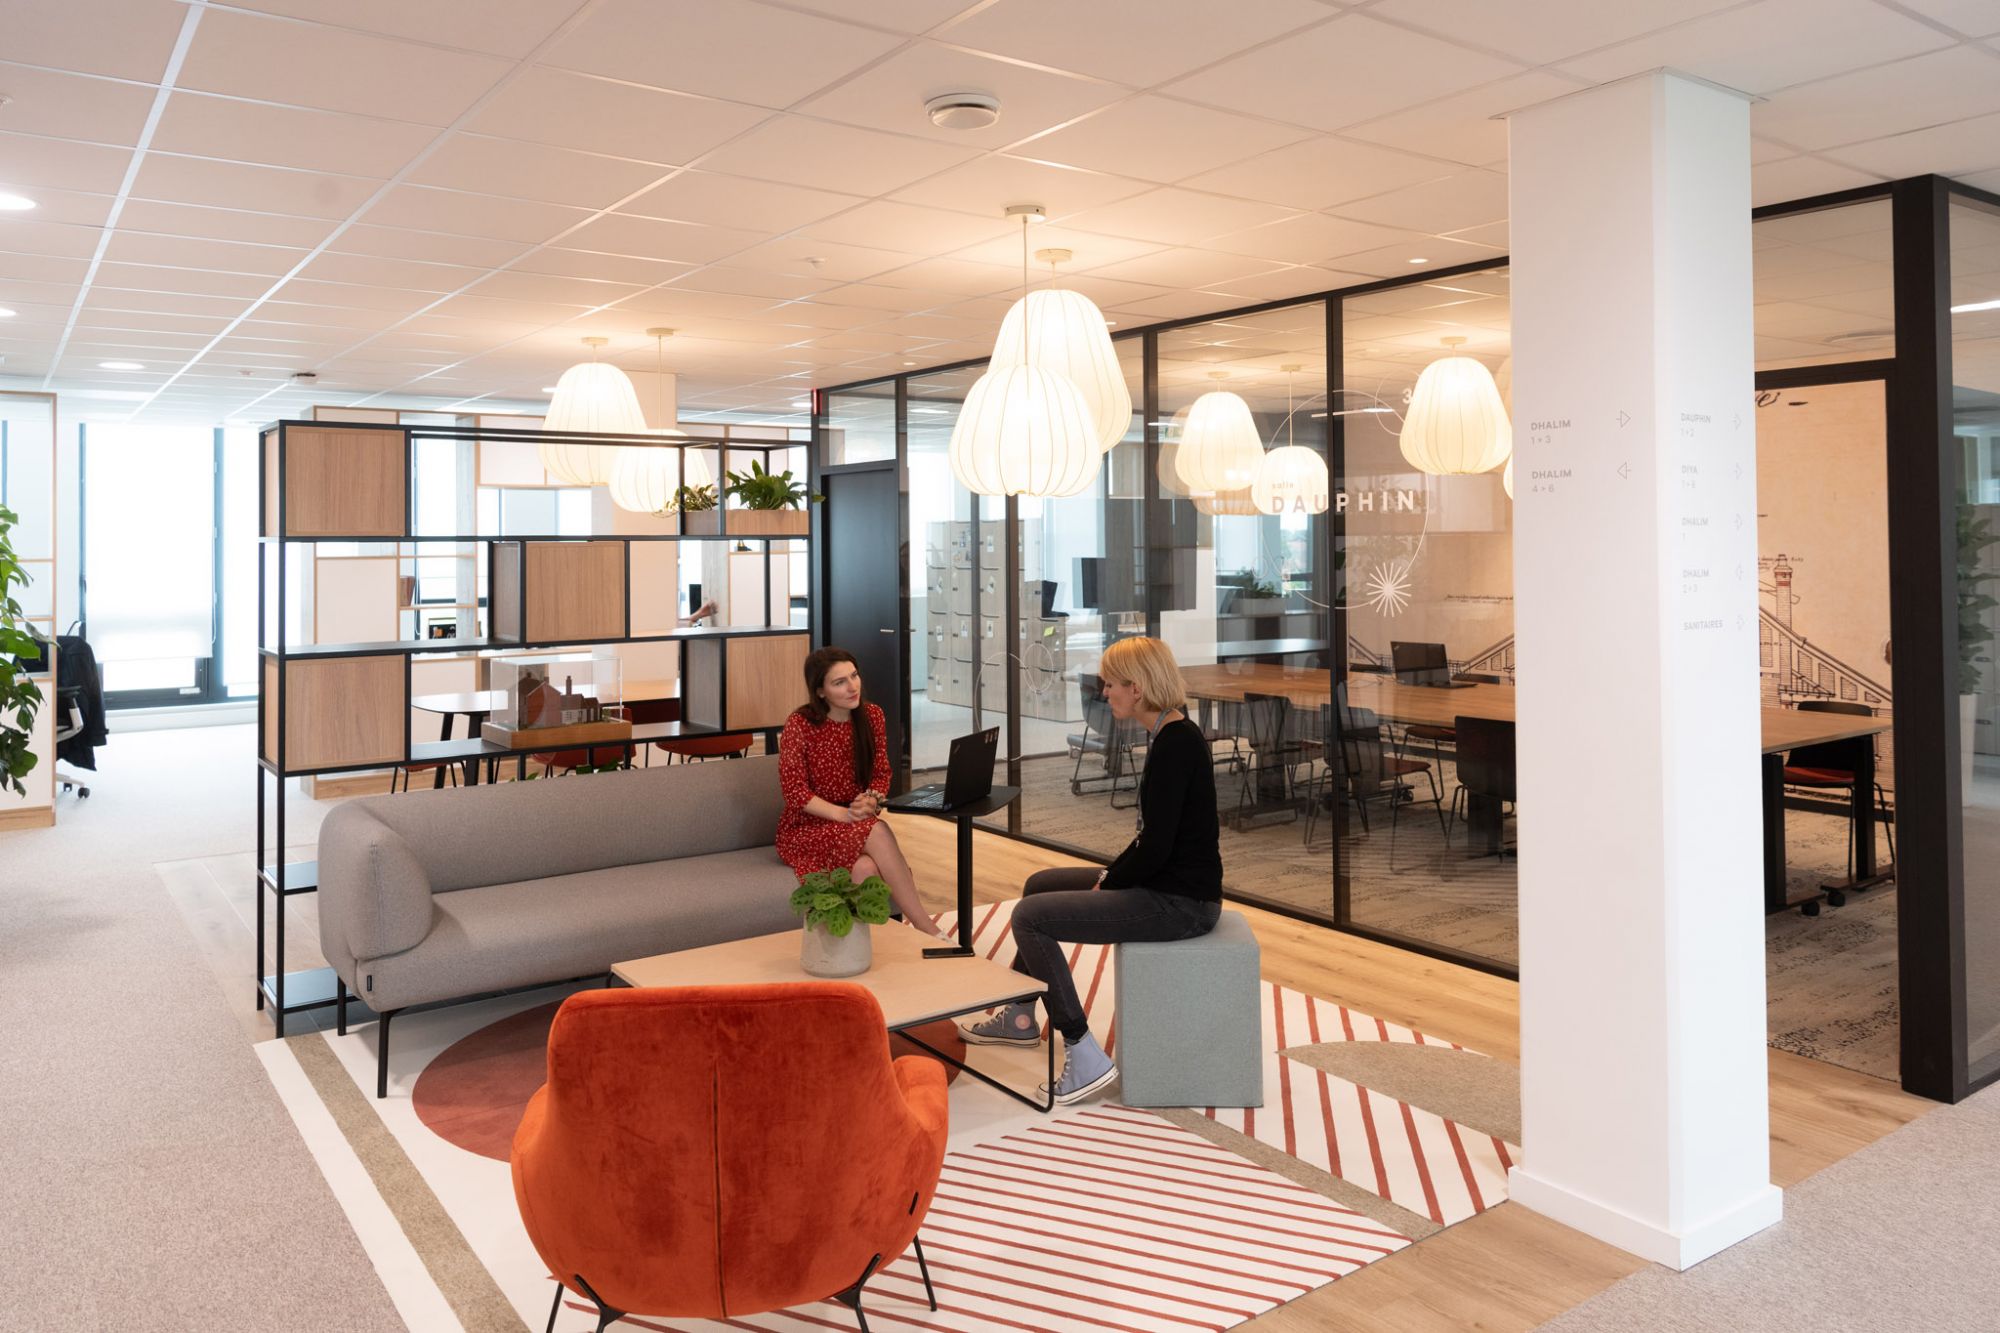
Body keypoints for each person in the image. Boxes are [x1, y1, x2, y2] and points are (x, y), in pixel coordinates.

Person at [960, 636, 1222, 1104]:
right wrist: (1109, 877)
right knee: (1039, 886)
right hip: (1167, 882)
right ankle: (1021, 1016)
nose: (1104, 693)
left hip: (1181, 903)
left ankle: (1082, 1051)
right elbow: (1152, 840)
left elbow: (1156, 848)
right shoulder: (1171, 733)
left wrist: (1111, 882)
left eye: (1110, 684)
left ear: (1137, 688)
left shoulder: (1175, 746)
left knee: (1029, 918)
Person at [776, 647, 944, 937]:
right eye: (839, 682)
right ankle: (926, 929)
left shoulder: (872, 716)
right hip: (807, 827)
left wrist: (870, 800)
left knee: (865, 867)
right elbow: (794, 791)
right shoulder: (800, 724)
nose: (852, 686)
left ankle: (868, 946)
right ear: (820, 691)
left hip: (855, 822)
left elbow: (880, 773)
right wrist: (844, 815)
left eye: (854, 676)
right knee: (877, 830)